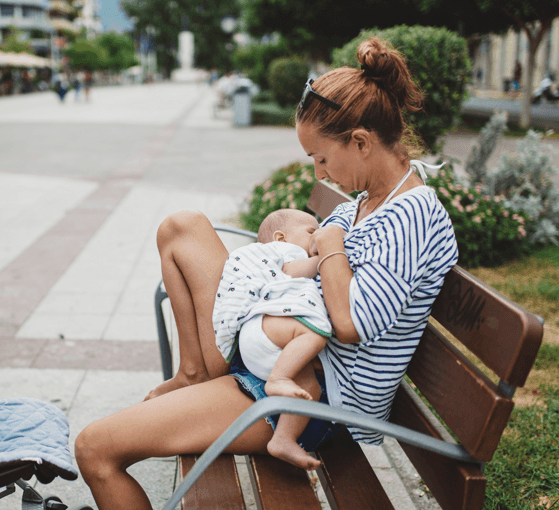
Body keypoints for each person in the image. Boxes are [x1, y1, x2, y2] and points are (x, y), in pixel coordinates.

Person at [74, 36, 459, 510]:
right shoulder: (364, 202)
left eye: (321, 158)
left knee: (95, 450)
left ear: (360, 142)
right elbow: (309, 256)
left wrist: (331, 245)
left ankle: (201, 377)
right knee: (183, 228)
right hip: (275, 345)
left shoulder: (411, 214)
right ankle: (194, 372)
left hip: (309, 397)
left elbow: (350, 324)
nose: (320, 176)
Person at [213, 209, 331, 469]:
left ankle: (284, 439)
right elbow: (292, 270)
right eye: (311, 231)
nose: (317, 236)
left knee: (310, 389)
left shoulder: (283, 248)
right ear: (280, 237)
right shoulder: (285, 251)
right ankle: (278, 379)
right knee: (312, 333)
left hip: (271, 351)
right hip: (265, 332)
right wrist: (327, 257)